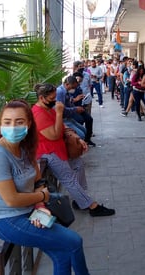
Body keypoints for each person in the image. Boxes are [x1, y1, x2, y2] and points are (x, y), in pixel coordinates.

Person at [0, 99, 90, 274]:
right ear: (0, 124)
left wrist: (39, 207)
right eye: (7, 122)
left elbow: (38, 181)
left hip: (31, 212)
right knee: (73, 242)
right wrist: (42, 197)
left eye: (19, 122)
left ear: (29, 124)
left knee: (62, 255)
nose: (13, 127)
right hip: (9, 220)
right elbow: (11, 199)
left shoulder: (24, 149)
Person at [32, 83, 115, 217]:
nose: (55, 101)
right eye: (52, 98)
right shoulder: (38, 114)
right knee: (68, 178)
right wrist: (59, 113)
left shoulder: (49, 109)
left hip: (59, 147)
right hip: (48, 151)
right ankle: (92, 206)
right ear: (42, 98)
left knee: (78, 165)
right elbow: (54, 135)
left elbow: (63, 127)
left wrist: (76, 137)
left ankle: (80, 198)